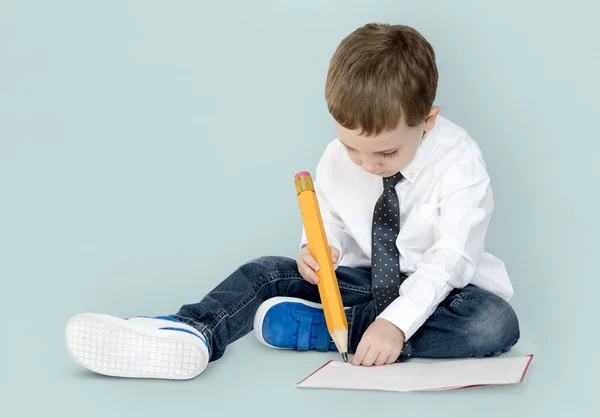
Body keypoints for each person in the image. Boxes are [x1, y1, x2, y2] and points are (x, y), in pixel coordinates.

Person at [64, 23, 520, 380]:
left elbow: (450, 258)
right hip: (361, 283)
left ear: (428, 120)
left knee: (493, 324)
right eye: (352, 148)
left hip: (444, 294)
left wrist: (396, 325)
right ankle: (194, 332)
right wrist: (319, 250)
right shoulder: (337, 158)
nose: (366, 164)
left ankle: (333, 328)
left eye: (386, 153)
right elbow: (329, 217)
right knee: (265, 271)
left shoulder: (460, 160)